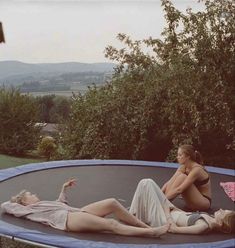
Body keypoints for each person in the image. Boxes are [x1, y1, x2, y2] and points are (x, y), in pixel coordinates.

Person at [1, 179, 169, 237]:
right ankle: (151, 232)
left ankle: (143, 225)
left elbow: (60, 202)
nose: (34, 194)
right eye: (30, 194)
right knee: (111, 225)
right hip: (68, 220)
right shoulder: (27, 210)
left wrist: (63, 189)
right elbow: (6, 206)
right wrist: (17, 201)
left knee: (112, 202)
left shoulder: (42, 204)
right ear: (24, 202)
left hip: (74, 211)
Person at [130, 178, 235, 234]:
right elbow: (186, 216)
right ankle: (134, 214)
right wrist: (173, 208)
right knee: (150, 183)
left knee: (146, 183)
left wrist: (167, 212)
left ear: (221, 222)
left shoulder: (203, 226)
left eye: (222, 212)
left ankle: (132, 216)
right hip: (171, 212)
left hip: (163, 219)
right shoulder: (209, 219)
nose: (220, 209)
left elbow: (173, 229)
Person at [161, 145, 212, 211]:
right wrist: (158, 195)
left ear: (188, 157)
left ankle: (163, 204)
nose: (177, 157)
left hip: (203, 203)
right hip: (192, 203)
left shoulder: (197, 170)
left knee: (182, 177)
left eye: (180, 155)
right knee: (179, 176)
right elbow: (169, 182)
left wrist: (162, 201)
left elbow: (180, 190)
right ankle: (164, 203)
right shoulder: (183, 167)